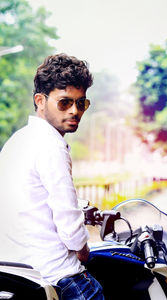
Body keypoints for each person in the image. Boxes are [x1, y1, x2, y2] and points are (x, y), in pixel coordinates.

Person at [0, 53, 104, 299]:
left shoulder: (18, 140)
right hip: (58, 276)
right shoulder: (52, 145)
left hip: (16, 271)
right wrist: (83, 250)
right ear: (40, 101)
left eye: (82, 103)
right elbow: (69, 225)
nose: (75, 111)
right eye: (65, 102)